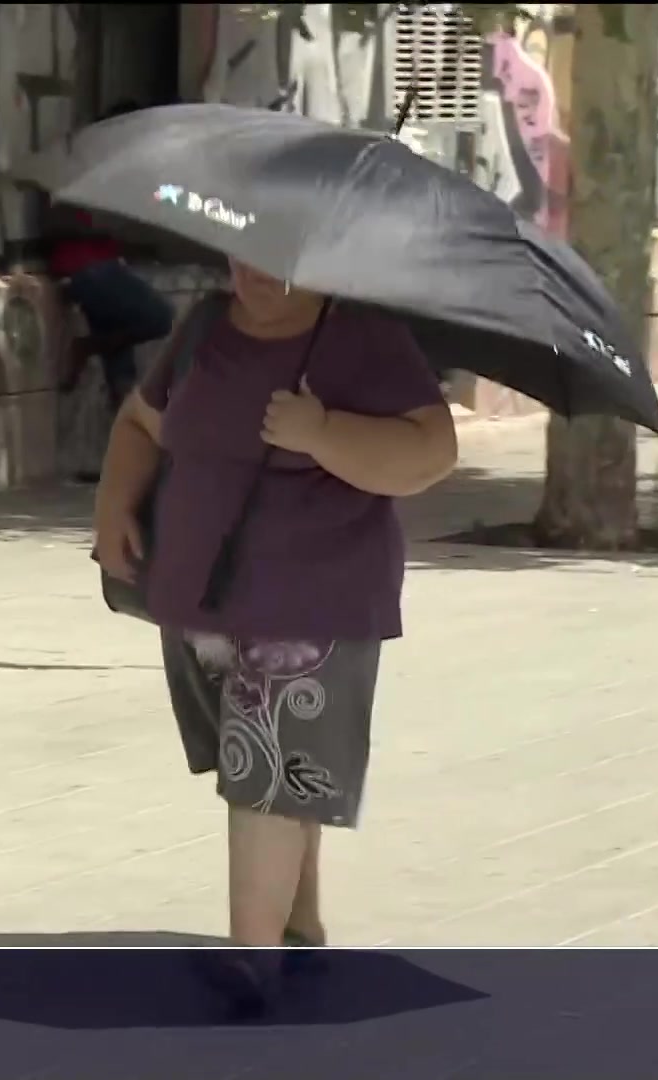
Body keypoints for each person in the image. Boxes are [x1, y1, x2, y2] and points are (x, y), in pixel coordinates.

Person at [90, 258, 458, 1011]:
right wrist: (113, 507)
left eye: (282, 257)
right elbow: (141, 421)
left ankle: (253, 961)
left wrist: (321, 432)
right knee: (282, 776)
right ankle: (298, 927)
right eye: (245, 250)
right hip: (199, 602)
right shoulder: (203, 326)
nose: (257, 272)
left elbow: (430, 453)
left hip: (310, 607)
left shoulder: (363, 337)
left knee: (265, 776)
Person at [48, 101, 175, 451]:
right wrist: (109, 224)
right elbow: (59, 222)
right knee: (161, 317)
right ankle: (86, 347)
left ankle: (128, 451)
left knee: (122, 370)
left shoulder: (119, 172)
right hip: (86, 270)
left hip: (104, 267)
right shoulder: (84, 169)